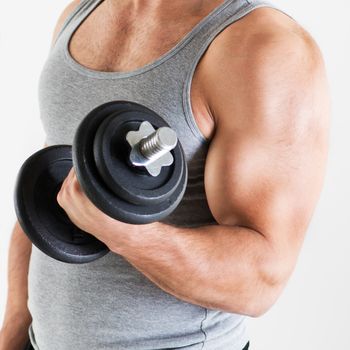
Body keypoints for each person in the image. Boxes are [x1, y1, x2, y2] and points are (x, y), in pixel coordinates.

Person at [0, 0, 330, 349]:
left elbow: (261, 278)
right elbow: (50, 190)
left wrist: (126, 235)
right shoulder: (80, 15)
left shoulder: (262, 46)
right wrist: (14, 329)